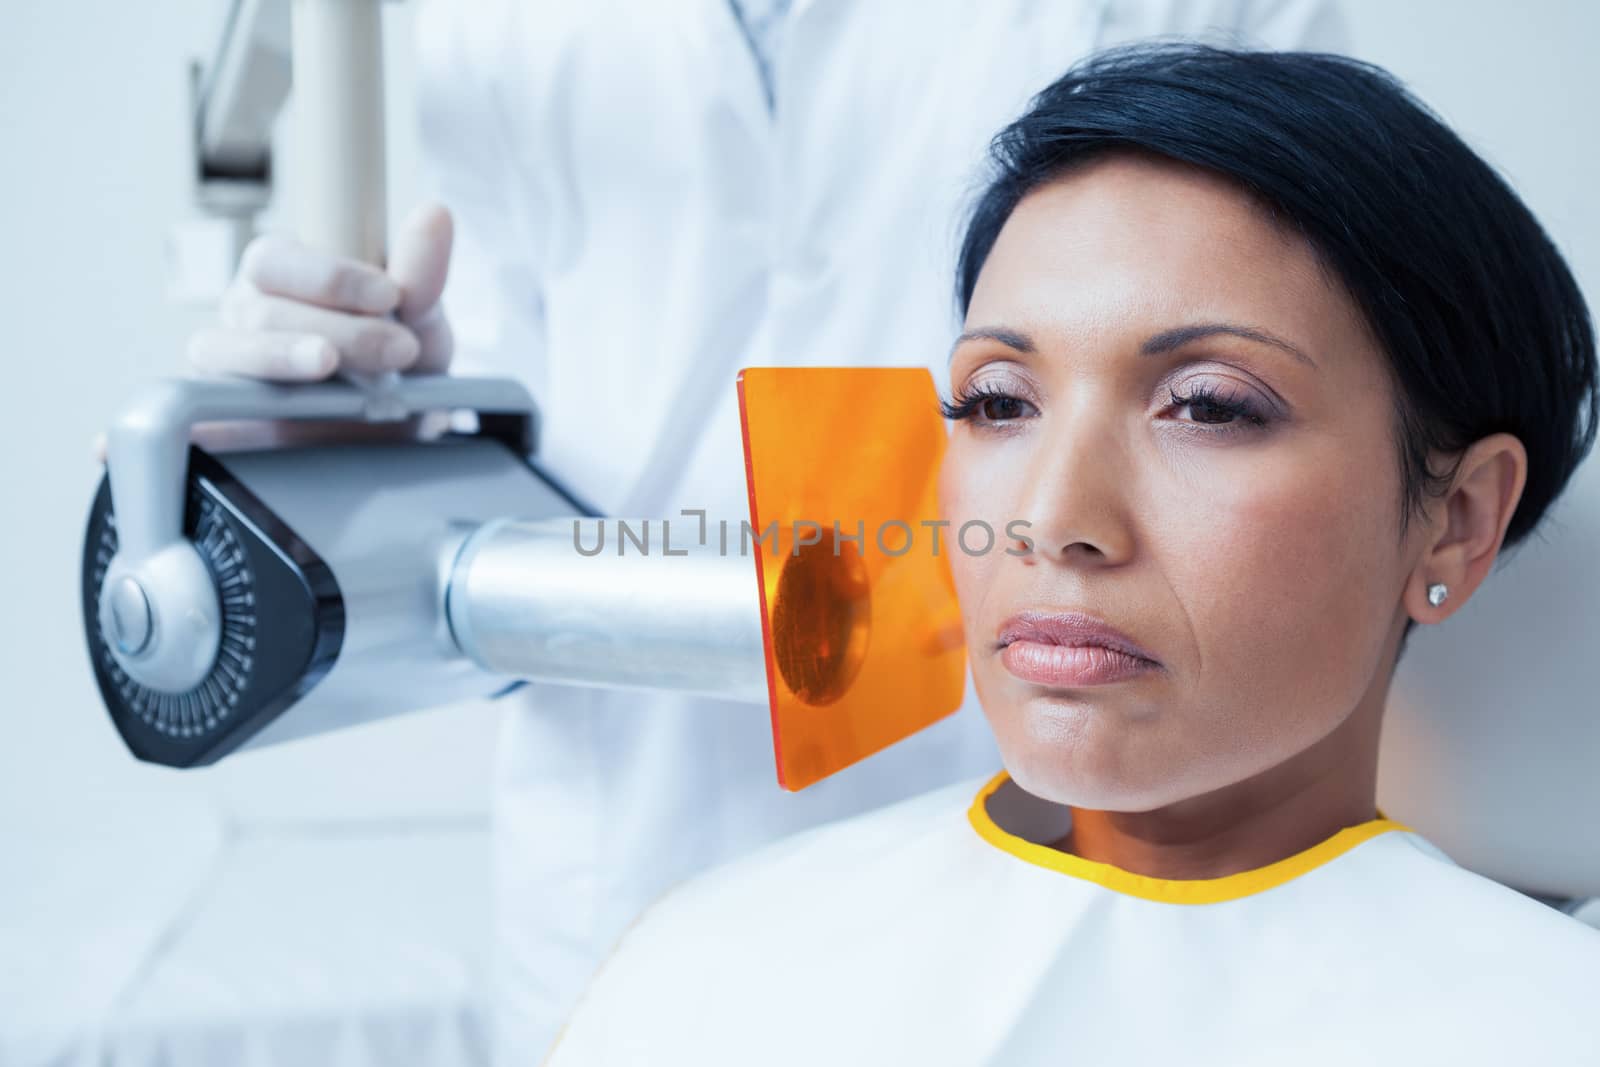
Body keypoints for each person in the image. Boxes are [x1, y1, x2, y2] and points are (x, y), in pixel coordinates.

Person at [185, 3, 1352, 1060]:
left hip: (1033, 840)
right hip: (615, 840)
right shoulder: (484, 26)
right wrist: (342, 424)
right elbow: (494, 438)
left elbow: (1269, 407)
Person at [537, 43, 1600, 1065]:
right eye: (996, 401)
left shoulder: (1547, 1024)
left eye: (1209, 407)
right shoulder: (711, 972)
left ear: (1457, 519)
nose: (1048, 518)